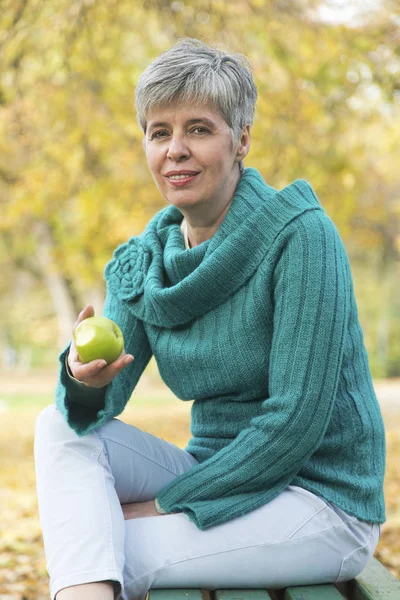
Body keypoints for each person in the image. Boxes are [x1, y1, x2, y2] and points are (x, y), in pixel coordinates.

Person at [34, 38, 386, 600]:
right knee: (57, 428)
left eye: (198, 129)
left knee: (110, 551)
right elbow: (100, 405)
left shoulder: (300, 237)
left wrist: (162, 506)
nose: (175, 149)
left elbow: (294, 422)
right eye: (159, 132)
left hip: (318, 500)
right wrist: (82, 378)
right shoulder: (143, 261)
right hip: (214, 471)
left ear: (241, 138)